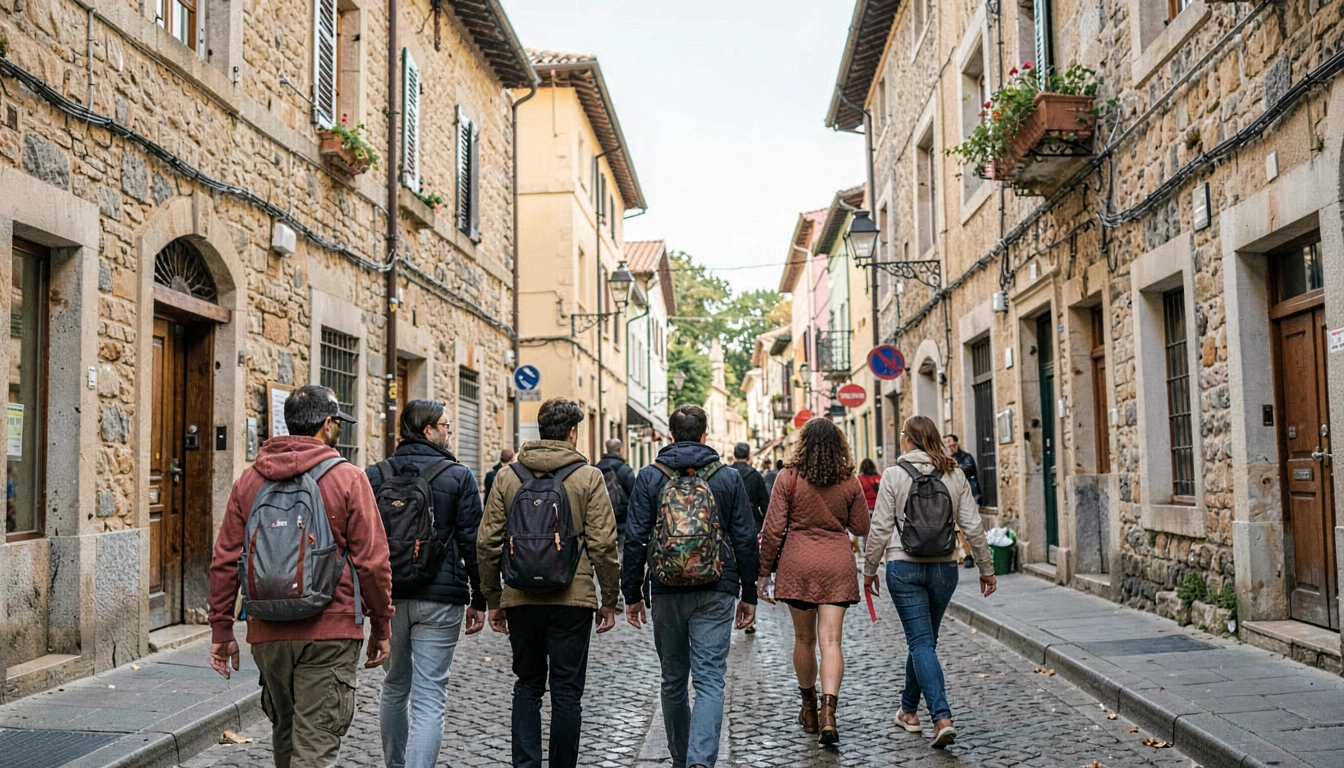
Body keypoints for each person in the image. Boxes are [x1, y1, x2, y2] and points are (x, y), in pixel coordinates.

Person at [208, 385, 394, 768]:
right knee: (315, 745)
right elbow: (373, 562)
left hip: (268, 630)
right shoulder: (348, 478)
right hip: (332, 628)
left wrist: (222, 630)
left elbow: (226, 558)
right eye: (337, 423)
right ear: (328, 425)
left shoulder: (250, 480)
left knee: (285, 732)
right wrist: (381, 625)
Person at [478, 397, 620, 768]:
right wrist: (609, 599)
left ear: (540, 430)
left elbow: (487, 542)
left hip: (521, 597)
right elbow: (604, 544)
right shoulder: (588, 477)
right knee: (567, 693)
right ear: (573, 432)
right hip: (572, 600)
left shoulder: (508, 476)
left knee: (527, 686)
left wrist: (495, 598)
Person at [623, 405, 759, 768]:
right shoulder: (728, 477)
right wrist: (749, 593)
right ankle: (701, 761)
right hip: (718, 586)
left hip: (666, 589)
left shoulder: (650, 477)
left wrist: (632, 593)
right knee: (710, 679)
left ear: (670, 436)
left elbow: (635, 537)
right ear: (705, 435)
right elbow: (745, 537)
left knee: (672, 678)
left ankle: (682, 759)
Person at [365, 400, 486, 768]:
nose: (450, 431)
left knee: (395, 685)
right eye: (446, 425)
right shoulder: (459, 476)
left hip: (389, 597)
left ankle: (395, 765)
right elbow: (473, 542)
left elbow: (362, 541)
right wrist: (480, 598)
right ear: (429, 430)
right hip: (440, 598)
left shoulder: (374, 474)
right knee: (431, 695)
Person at [864, 416, 996, 750]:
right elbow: (973, 526)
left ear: (908, 440)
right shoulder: (955, 474)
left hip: (902, 567)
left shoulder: (894, 476)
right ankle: (908, 710)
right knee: (925, 641)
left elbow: (879, 527)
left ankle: (942, 718)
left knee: (921, 642)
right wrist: (986, 567)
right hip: (943, 568)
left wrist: (868, 571)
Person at [755, 418, 870, 746]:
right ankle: (829, 714)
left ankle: (808, 707)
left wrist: (764, 574)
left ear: (802, 443)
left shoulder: (787, 477)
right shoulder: (848, 479)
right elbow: (861, 526)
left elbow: (774, 530)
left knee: (804, 640)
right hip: (836, 562)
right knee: (831, 641)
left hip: (799, 563)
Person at [943, 435, 981, 570]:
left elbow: (969, 468)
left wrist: (952, 465)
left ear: (956, 442)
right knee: (957, 528)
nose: (947, 444)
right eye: (945, 442)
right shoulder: (946, 458)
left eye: (949, 441)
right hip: (954, 497)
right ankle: (966, 554)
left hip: (970, 495)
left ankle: (972, 554)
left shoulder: (965, 456)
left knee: (969, 527)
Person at [594, 438, 636, 545]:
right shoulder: (626, 471)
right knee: (621, 554)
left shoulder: (596, 469)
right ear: (621, 450)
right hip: (622, 523)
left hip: (601, 523)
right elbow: (634, 498)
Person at [731, 443, 770, 533]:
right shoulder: (756, 475)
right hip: (753, 522)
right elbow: (765, 502)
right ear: (749, 454)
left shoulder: (726, 474)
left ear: (734, 455)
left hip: (732, 522)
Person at [855, 458, 881, 555]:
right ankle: (876, 551)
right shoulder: (879, 477)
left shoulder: (859, 479)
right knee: (876, 532)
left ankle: (865, 551)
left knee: (864, 532)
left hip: (864, 509)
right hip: (877, 509)